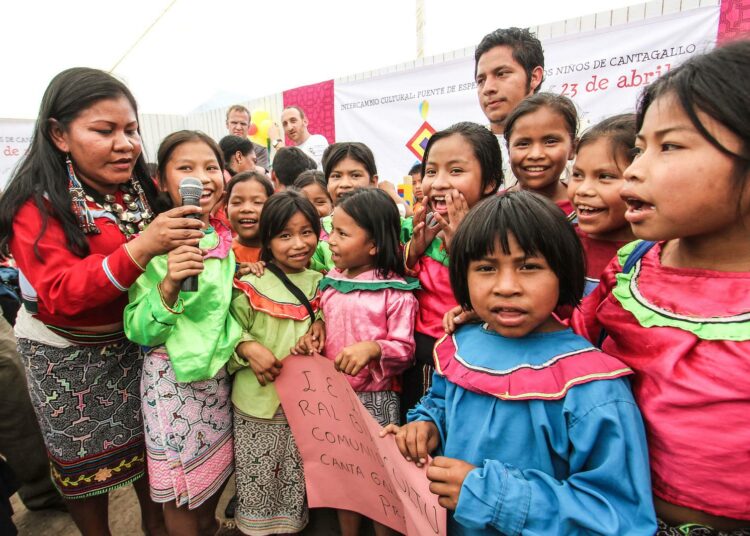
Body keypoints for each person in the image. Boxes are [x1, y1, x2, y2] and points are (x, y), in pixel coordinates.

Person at [0, 67, 208, 535]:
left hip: (139, 346)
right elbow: (60, 293)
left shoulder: (138, 190)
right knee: (86, 477)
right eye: (104, 130)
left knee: (152, 462)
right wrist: (142, 247)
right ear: (58, 134)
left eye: (131, 130)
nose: (126, 144)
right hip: (66, 359)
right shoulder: (37, 205)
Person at [385, 191, 656, 535]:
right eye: (486, 268)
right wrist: (426, 427)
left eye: (529, 267)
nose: (507, 287)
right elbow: (440, 402)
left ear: (563, 271)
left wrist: (493, 496)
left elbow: (618, 516)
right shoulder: (461, 344)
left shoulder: (594, 387)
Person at [572, 41, 750, 534]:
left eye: (669, 146)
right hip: (620, 515)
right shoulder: (632, 266)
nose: (634, 170)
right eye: (640, 147)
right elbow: (572, 340)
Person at [123, 130, 240, 535]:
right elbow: (139, 329)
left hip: (218, 380)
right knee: (179, 491)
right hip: (174, 384)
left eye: (210, 167)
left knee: (210, 481)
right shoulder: (150, 241)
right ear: (163, 181)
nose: (202, 178)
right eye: (186, 168)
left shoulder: (225, 238)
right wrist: (170, 284)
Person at [295, 188, 417, 536]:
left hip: (376, 401)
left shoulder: (396, 292)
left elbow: (405, 349)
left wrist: (374, 348)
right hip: (335, 402)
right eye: (332, 230)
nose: (330, 240)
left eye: (343, 233)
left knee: (380, 483)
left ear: (374, 245)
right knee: (345, 480)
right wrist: (315, 332)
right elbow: (323, 321)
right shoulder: (331, 283)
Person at [229, 190, 323, 535]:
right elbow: (227, 331)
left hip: (303, 406)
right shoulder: (250, 284)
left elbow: (332, 321)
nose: (298, 243)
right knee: (257, 478)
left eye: (306, 232)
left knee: (295, 480)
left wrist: (321, 326)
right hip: (257, 404)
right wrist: (247, 346)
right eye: (285, 235)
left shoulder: (322, 283)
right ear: (268, 238)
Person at [401, 122, 501, 421]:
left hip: (469, 359)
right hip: (420, 359)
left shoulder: (499, 231)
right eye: (432, 172)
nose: (439, 183)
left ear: (489, 182)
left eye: (456, 171)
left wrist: (463, 247)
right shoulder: (422, 225)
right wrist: (414, 250)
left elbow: (492, 293)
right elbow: (400, 280)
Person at [311, 142, 411, 273]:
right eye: (336, 176)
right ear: (327, 184)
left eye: (355, 175)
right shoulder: (317, 232)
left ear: (373, 182)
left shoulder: (393, 223)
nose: (345, 184)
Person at [568, 114, 636, 295]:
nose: (583, 189)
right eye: (578, 175)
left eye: (605, 177)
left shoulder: (657, 255)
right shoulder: (561, 243)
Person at [475, 28, 545, 186]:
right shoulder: (470, 148)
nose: (488, 88)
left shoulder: (577, 146)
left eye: (501, 74)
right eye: (481, 80)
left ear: (534, 77)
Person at [504, 92, 578, 222]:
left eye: (550, 141)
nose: (536, 155)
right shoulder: (493, 210)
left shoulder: (587, 209)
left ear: (572, 147)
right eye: (523, 144)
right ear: (508, 151)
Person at [226, 171, 275, 263]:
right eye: (237, 202)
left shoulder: (284, 252)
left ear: (273, 209)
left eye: (257, 202)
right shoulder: (221, 253)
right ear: (226, 211)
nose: (246, 209)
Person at [226, 104, 269, 169]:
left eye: (243, 124)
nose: (238, 127)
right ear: (227, 124)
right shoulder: (218, 151)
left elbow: (261, 177)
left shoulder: (260, 150)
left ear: (249, 127)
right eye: (234, 123)